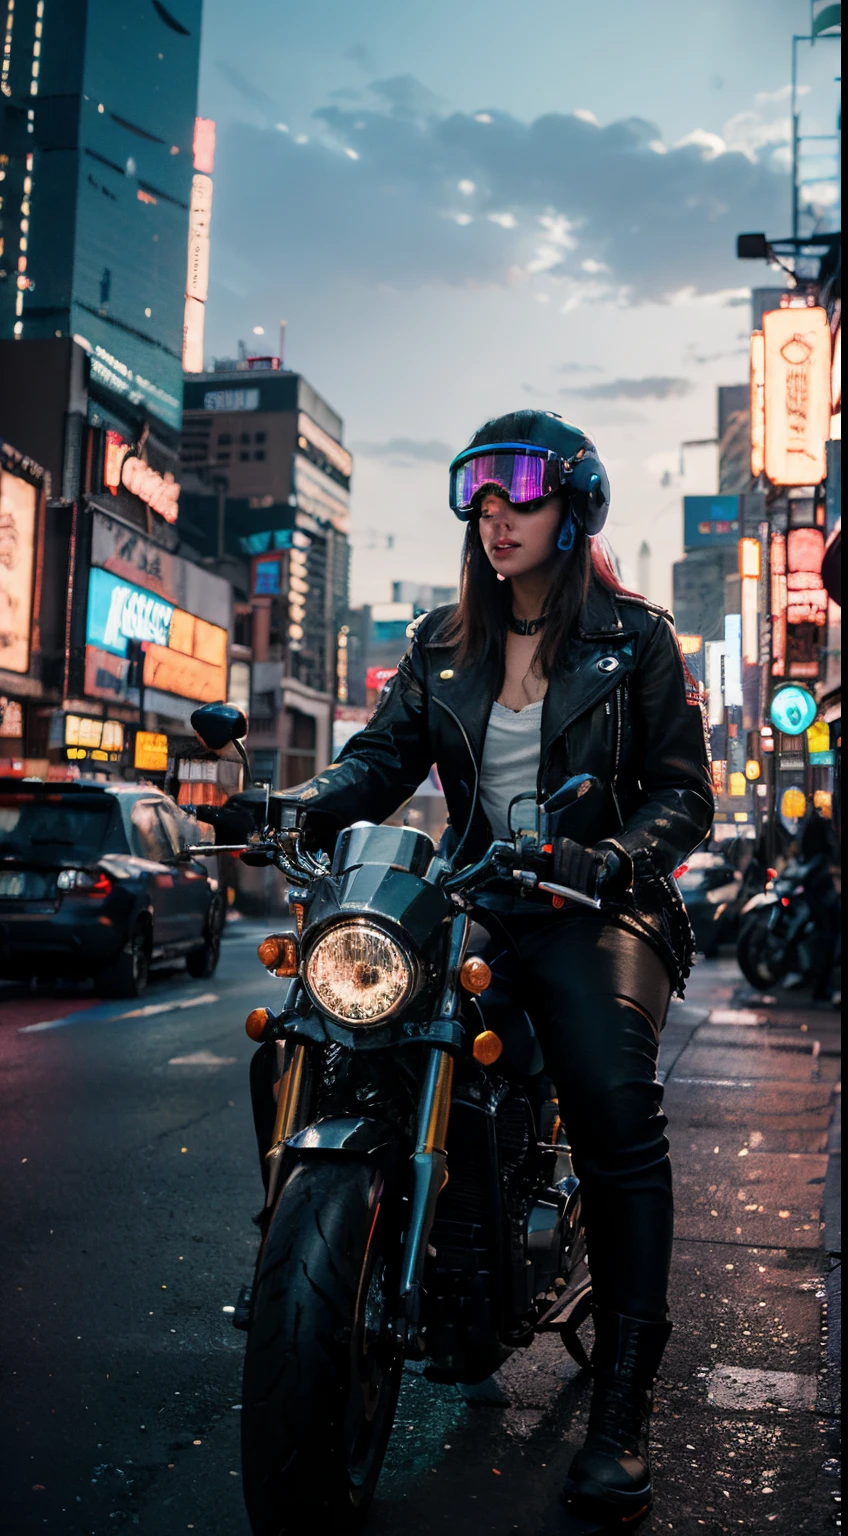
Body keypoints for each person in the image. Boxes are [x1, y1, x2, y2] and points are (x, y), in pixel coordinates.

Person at [278, 410, 714, 1524]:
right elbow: (379, 761)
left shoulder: (637, 638)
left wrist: (613, 853)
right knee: (353, 1026)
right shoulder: (439, 644)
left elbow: (681, 791)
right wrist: (298, 802)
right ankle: (397, 1272)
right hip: (476, 898)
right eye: (477, 499)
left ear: (575, 509)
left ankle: (620, 1404)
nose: (493, 516)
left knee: (613, 1108)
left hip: (594, 904)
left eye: (517, 496)